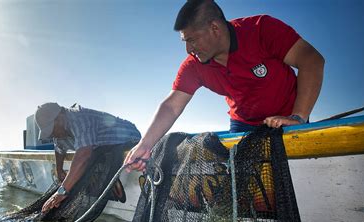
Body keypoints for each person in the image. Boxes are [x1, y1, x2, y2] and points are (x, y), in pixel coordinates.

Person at [125, 0, 324, 171]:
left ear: (215, 29)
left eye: (192, 40)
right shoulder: (193, 65)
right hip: (242, 124)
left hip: (287, 118)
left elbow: (311, 60)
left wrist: (298, 117)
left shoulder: (261, 28)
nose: (188, 49)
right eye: (185, 41)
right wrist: (145, 144)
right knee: (242, 187)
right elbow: (171, 105)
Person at [34, 102, 141, 214]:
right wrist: (59, 170)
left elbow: (83, 155)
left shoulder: (79, 117)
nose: (52, 134)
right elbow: (59, 149)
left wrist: (62, 191)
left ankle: (110, 184)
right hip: (100, 146)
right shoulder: (60, 132)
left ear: (60, 116)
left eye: (51, 129)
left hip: (129, 137)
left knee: (91, 158)